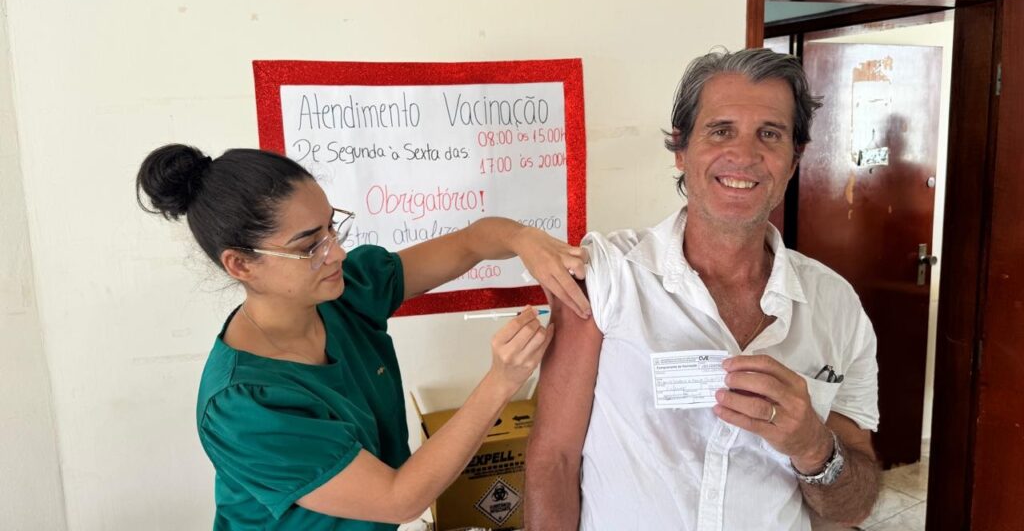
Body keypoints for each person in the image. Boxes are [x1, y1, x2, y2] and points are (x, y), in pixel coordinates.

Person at [135, 143, 591, 530]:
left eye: (331, 227)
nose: (336, 252)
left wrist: (524, 239)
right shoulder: (244, 405)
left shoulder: (342, 292)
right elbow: (399, 499)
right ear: (240, 265)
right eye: (309, 246)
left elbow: (472, 241)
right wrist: (502, 381)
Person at [525, 48, 881, 531]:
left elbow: (854, 507)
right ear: (681, 149)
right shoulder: (607, 277)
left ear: (793, 160)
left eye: (770, 134)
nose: (745, 156)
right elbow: (554, 460)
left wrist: (813, 447)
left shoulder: (836, 306)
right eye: (721, 131)